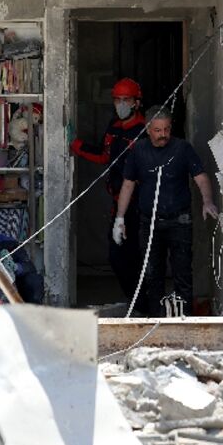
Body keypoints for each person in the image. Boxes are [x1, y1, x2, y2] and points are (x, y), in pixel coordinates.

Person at [114, 106, 218, 317]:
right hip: (149, 222)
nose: (163, 135)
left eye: (167, 129)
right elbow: (127, 185)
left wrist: (207, 201)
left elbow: (201, 177)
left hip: (179, 221)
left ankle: (185, 320)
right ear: (148, 129)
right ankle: (156, 320)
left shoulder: (182, 149)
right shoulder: (139, 151)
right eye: (158, 130)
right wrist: (119, 218)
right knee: (153, 275)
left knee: (182, 274)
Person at [70, 77, 147, 298]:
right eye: (117, 100)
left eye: (126, 100)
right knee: (116, 256)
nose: (121, 104)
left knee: (136, 256)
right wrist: (76, 145)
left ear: (136, 102)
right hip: (118, 203)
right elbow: (104, 156)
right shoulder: (114, 127)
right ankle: (136, 300)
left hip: (139, 205)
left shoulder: (144, 131)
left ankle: (143, 303)